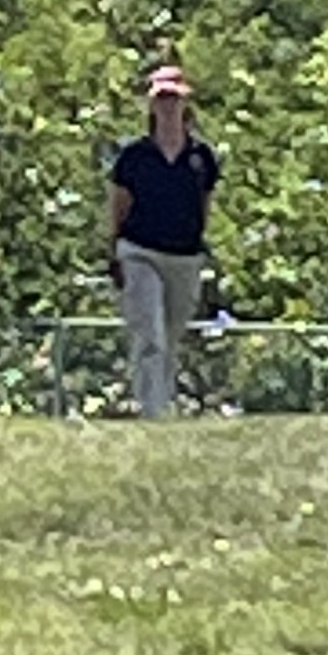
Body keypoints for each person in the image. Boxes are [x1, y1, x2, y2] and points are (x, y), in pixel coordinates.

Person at [108, 64, 218, 419]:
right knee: (150, 335)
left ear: (185, 103)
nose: (168, 105)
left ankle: (163, 403)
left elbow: (203, 207)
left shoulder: (201, 158)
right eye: (161, 98)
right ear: (151, 105)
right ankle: (151, 412)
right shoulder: (133, 157)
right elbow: (119, 207)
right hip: (140, 251)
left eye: (174, 98)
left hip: (184, 257)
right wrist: (115, 252)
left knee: (170, 336)